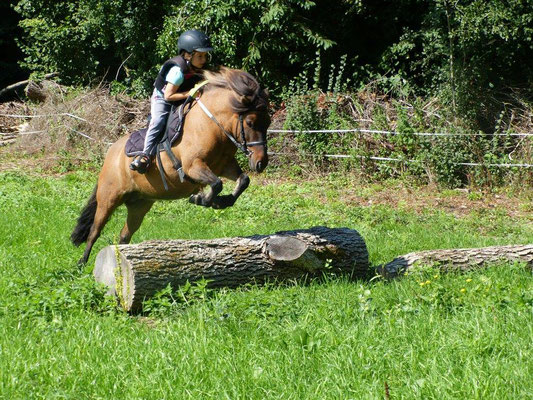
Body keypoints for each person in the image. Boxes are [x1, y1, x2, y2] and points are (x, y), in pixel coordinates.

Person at [130, 29, 213, 173]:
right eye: (199, 56)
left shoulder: (199, 67)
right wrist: (189, 94)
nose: (203, 60)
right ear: (187, 54)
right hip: (163, 98)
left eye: (205, 55)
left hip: (183, 95)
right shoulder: (177, 71)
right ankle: (145, 154)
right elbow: (168, 96)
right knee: (158, 121)